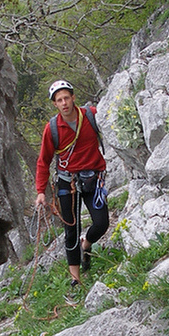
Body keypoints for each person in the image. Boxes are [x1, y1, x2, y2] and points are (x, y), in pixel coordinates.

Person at [36, 79, 109, 299]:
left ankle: (86, 244)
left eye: (66, 97)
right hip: (67, 184)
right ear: (55, 104)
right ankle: (76, 279)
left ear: (73, 97)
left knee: (101, 223)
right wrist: (40, 191)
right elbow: (43, 161)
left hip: (93, 179)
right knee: (71, 231)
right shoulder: (52, 129)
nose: (64, 102)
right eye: (59, 100)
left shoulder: (91, 115)